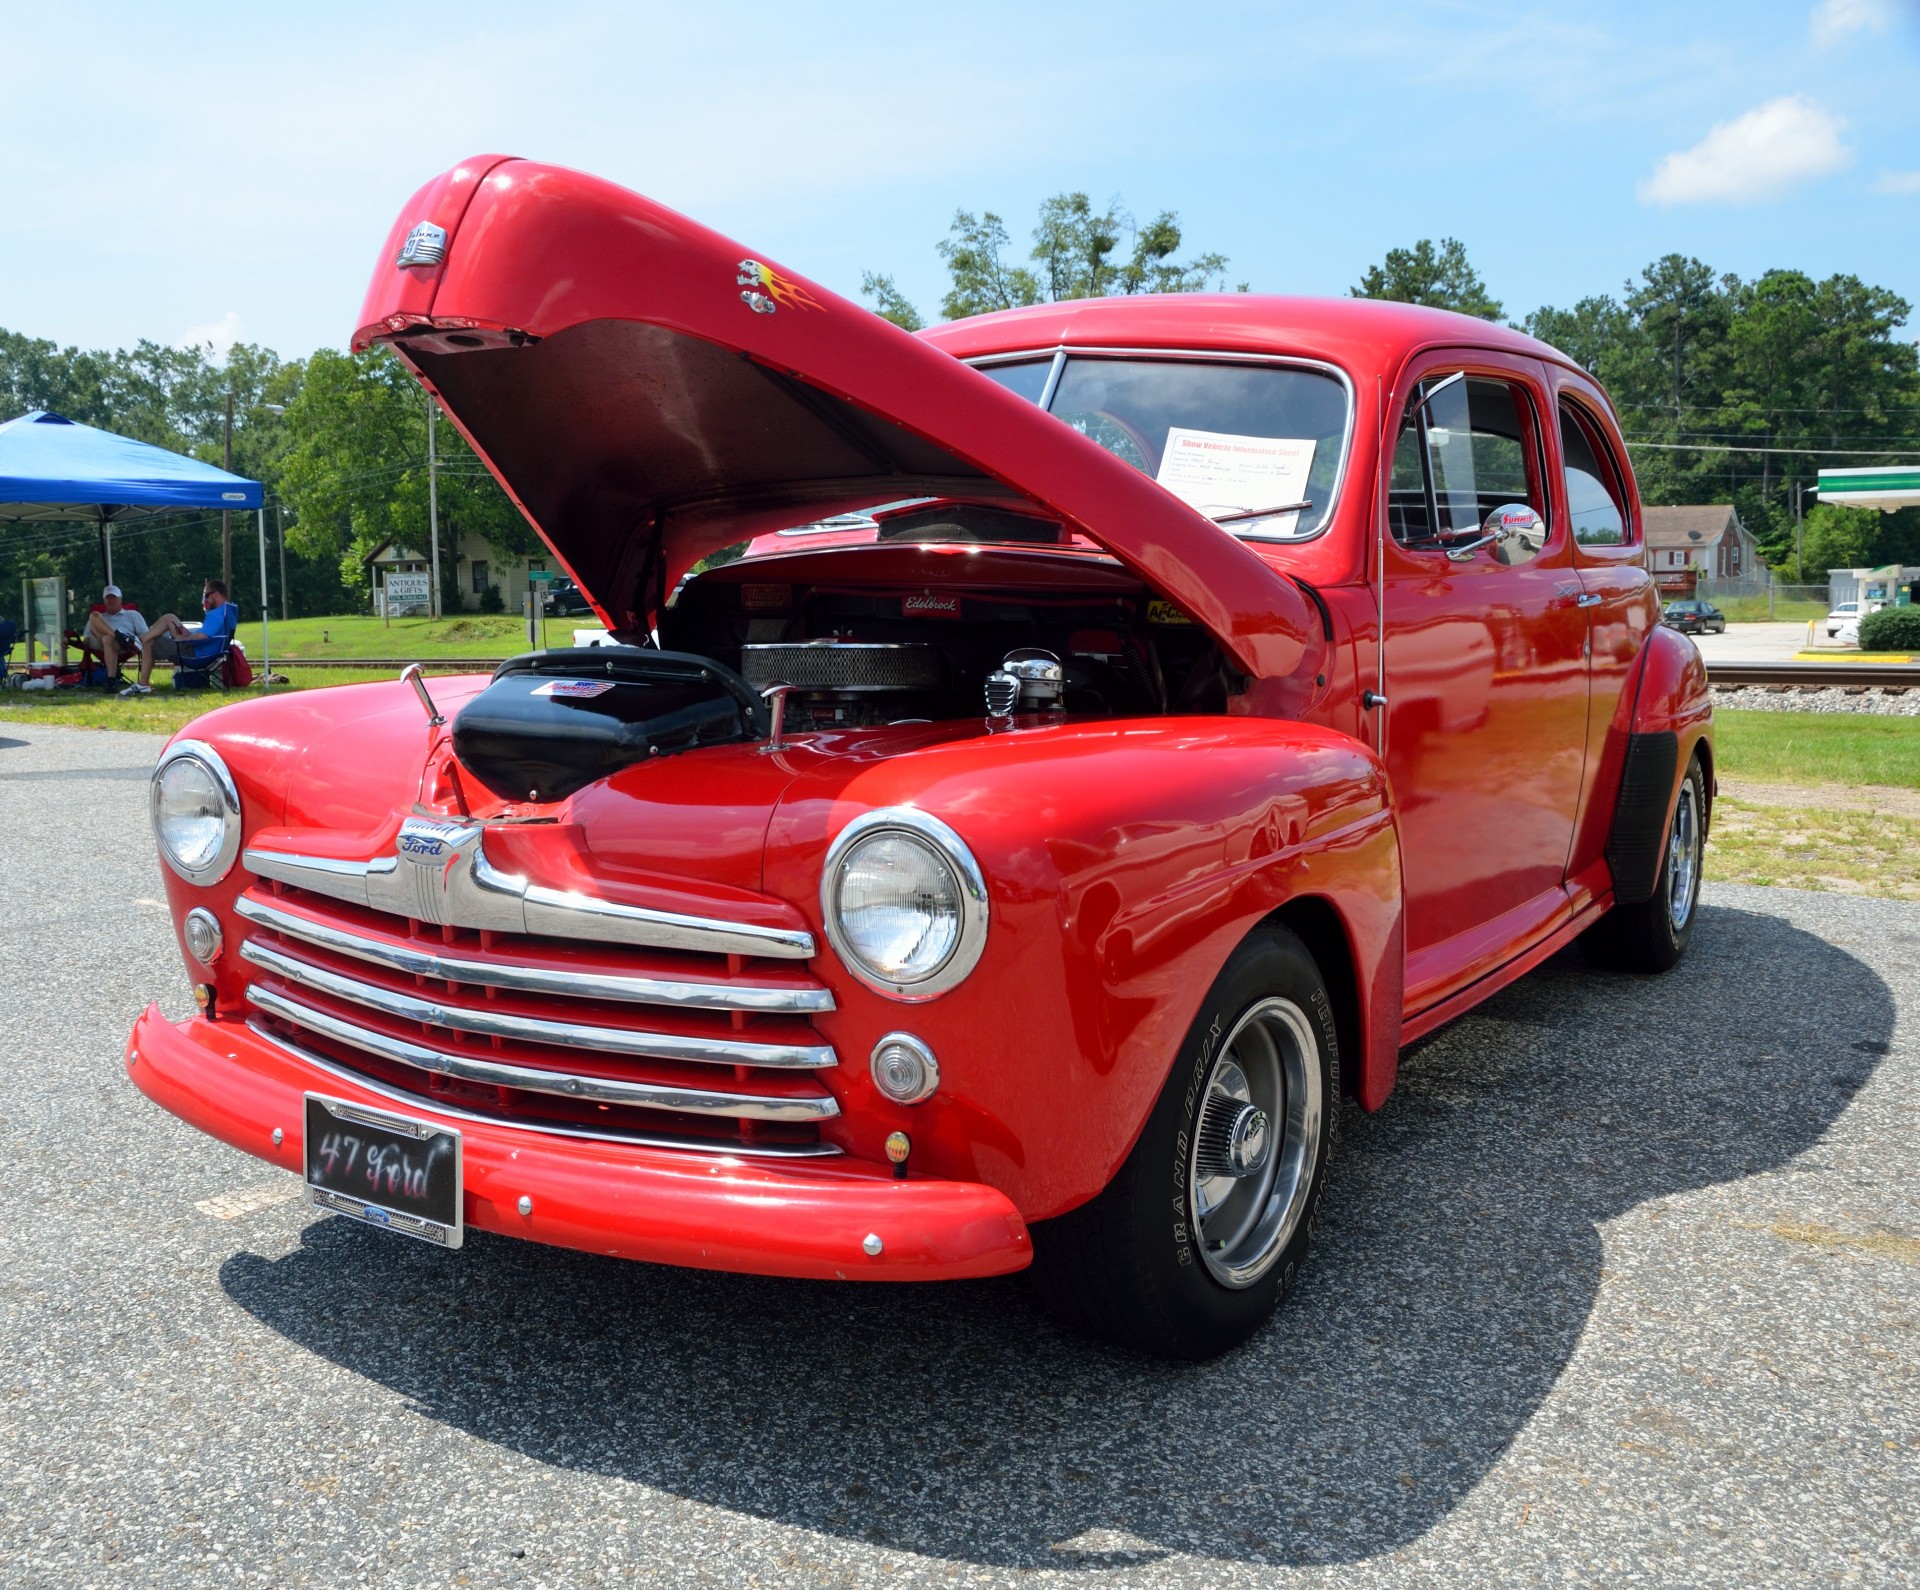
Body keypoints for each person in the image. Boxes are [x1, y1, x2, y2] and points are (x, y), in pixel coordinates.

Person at [120, 579, 238, 696]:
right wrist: (188, 636)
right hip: (201, 649)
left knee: (150, 642)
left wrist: (183, 639)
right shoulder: (228, 610)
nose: (205, 600)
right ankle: (138, 641)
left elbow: (202, 637)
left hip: (195, 653)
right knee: (169, 618)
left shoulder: (216, 614)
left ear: (216, 595)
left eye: (206, 595)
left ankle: (142, 683)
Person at [82, 585, 149, 685]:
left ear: (120, 599)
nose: (111, 600)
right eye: (108, 598)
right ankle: (119, 636)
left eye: (114, 597)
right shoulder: (99, 618)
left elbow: (145, 635)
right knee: (94, 615)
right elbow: (86, 641)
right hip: (100, 645)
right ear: (104, 600)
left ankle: (111, 680)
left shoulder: (132, 614)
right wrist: (70, 641)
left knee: (108, 639)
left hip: (125, 646)